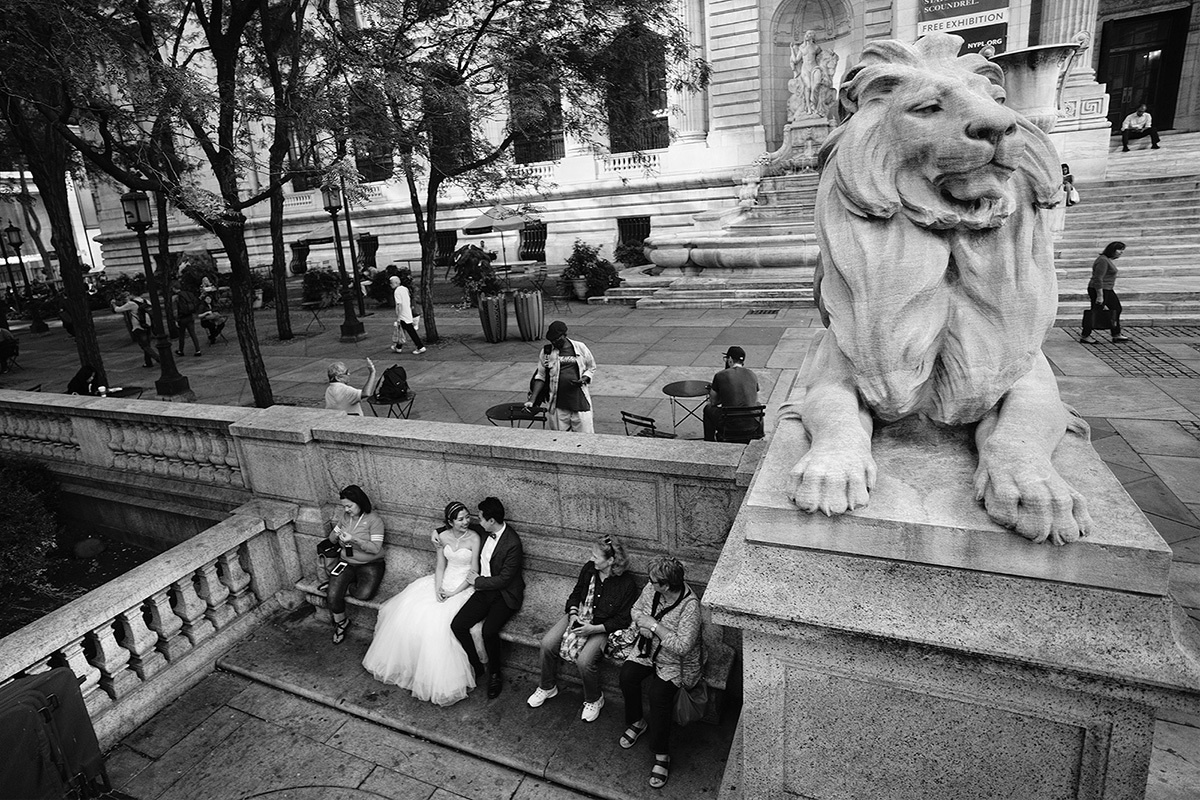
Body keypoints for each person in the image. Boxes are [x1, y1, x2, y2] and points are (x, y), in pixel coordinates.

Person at [363, 501, 482, 706]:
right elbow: (440, 566)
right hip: (442, 582)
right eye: (460, 519)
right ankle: (412, 669)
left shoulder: (474, 538)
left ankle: (445, 677)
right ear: (449, 522)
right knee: (411, 613)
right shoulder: (442, 537)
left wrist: (453, 592)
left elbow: (474, 571)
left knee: (440, 627)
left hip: (464, 587)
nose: (466, 521)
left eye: (467, 517)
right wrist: (438, 589)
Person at [528, 535, 640, 722]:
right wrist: (572, 615)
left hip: (602, 627)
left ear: (611, 560)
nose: (591, 559)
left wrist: (593, 629)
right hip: (580, 614)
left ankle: (594, 698)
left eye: (596, 556)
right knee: (547, 644)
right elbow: (576, 593)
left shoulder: (626, 584)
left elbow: (622, 620)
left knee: (585, 661)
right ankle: (547, 687)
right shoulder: (589, 570)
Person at [618, 556, 702, 790]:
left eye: (653, 581)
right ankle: (637, 721)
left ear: (666, 585)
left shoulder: (690, 607)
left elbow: (683, 647)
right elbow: (636, 610)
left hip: (675, 663)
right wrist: (641, 624)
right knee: (627, 676)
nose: (649, 583)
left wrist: (654, 626)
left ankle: (662, 754)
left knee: (658, 697)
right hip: (647, 650)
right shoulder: (651, 587)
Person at [450, 496, 524, 699]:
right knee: (458, 625)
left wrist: (478, 581)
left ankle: (495, 674)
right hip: (484, 591)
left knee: (489, 631)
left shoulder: (512, 543)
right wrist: (436, 532)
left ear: (491, 521)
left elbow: (505, 579)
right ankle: (476, 665)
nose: (477, 521)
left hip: (504, 594)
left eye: (481, 518)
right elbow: (455, 527)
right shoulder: (485, 530)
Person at [325, 485, 385, 644]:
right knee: (332, 595)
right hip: (347, 561)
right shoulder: (345, 517)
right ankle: (341, 622)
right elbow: (331, 539)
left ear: (359, 502)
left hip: (370, 563)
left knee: (363, 594)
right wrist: (337, 533)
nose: (346, 509)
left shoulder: (374, 520)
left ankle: (347, 584)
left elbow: (375, 548)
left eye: (349, 506)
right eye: (344, 506)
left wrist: (354, 539)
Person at [525, 320, 597, 433]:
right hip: (558, 404)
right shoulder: (547, 352)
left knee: (585, 437)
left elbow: (591, 367)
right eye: (552, 340)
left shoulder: (580, 347)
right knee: (560, 438)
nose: (555, 343)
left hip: (579, 401)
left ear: (564, 335)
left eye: (557, 339)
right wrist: (532, 400)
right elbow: (541, 376)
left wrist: (584, 378)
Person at [703, 345, 761, 442]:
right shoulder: (752, 374)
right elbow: (754, 400)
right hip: (751, 425)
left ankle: (709, 442)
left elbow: (713, 402)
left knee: (708, 409)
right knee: (758, 405)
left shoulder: (720, 375)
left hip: (729, 426)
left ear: (730, 359)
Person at [1080, 241, 1131, 345]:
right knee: (1095, 312)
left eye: (1122, 250)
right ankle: (1085, 335)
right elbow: (1098, 278)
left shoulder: (1107, 260)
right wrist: (1100, 296)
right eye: (1119, 250)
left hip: (1107, 289)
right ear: (1112, 250)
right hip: (1099, 289)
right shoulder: (1102, 260)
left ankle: (1116, 333)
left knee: (1116, 309)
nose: (1121, 252)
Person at [110, 292, 158, 368]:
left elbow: (117, 309)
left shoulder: (131, 304)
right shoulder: (145, 301)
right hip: (148, 325)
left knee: (144, 346)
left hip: (138, 326)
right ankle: (148, 362)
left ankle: (158, 359)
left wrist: (113, 304)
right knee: (147, 345)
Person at [389, 274, 426, 355]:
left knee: (408, 331)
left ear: (396, 283)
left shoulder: (397, 291)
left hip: (402, 315)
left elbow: (399, 304)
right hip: (407, 313)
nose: (390, 285)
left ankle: (420, 346)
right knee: (403, 330)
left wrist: (398, 316)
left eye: (391, 283)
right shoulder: (404, 289)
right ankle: (398, 347)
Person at [172, 282, 202, 357]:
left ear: (174, 288)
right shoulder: (187, 294)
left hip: (182, 318)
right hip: (190, 316)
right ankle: (198, 350)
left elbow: (175, 310)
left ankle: (181, 350)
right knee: (193, 334)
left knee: (181, 335)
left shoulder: (176, 297)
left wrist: (176, 319)